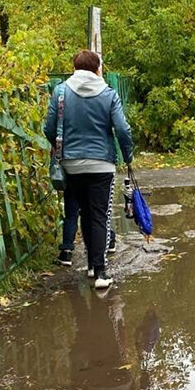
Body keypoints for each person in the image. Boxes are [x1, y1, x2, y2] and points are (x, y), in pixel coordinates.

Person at [44, 49, 134, 289]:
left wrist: (60, 147)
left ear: (75, 68)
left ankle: (92, 265)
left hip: (71, 165)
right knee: (100, 215)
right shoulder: (108, 94)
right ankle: (101, 271)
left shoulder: (60, 91)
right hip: (101, 164)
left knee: (84, 211)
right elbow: (123, 130)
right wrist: (128, 156)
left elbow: (49, 128)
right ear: (97, 69)